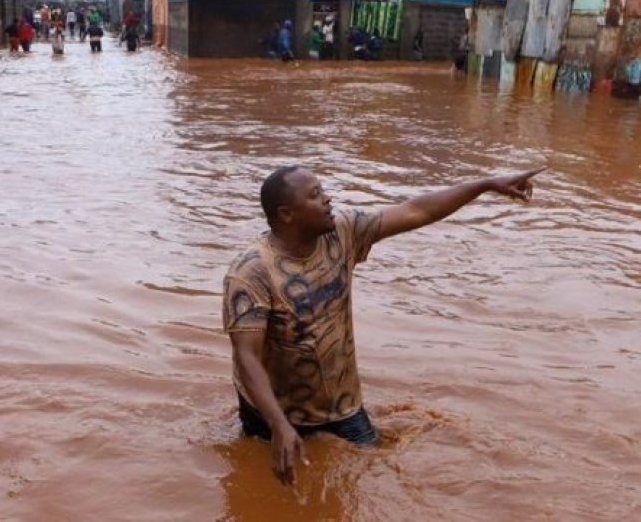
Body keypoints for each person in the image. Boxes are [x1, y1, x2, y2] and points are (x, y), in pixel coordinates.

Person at [223, 165, 543, 485]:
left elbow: (416, 210)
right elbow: (246, 356)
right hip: (271, 413)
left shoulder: (342, 233)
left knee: (362, 483)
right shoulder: (251, 272)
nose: (328, 199)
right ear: (287, 214)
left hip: (341, 406)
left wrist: (484, 184)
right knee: (259, 486)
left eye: (323, 191)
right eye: (315, 195)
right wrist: (279, 425)